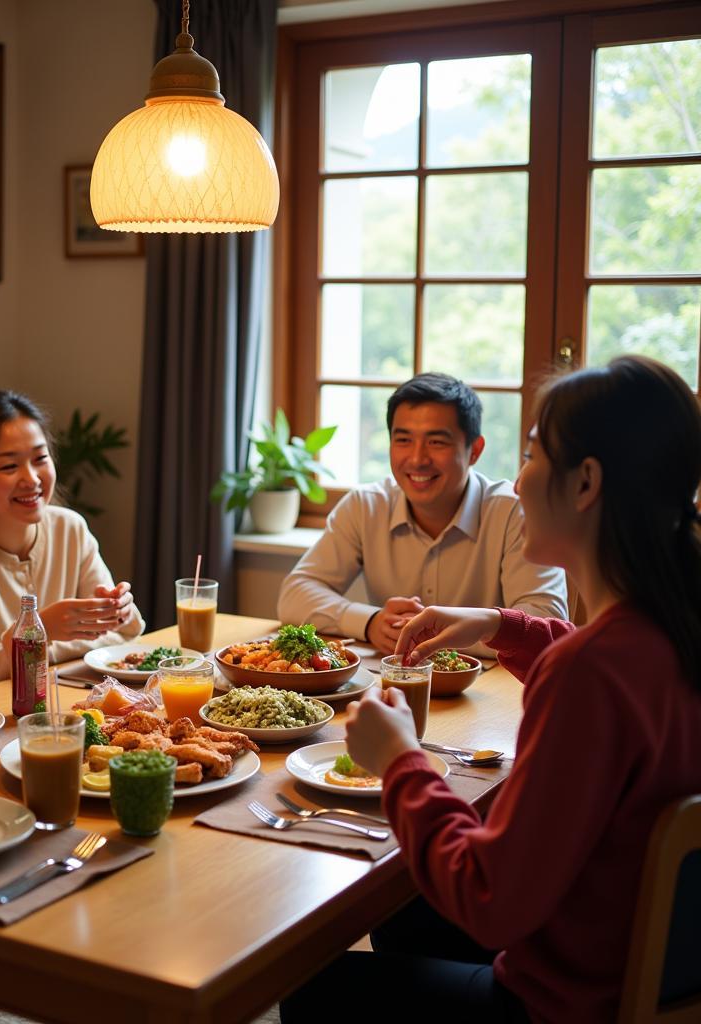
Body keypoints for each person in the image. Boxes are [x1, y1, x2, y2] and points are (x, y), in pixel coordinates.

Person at [281, 356, 701, 1023]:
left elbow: (488, 896)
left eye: (533, 454)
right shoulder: (673, 625)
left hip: (558, 1001)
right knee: (403, 904)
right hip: (623, 953)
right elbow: (610, 674)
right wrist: (502, 623)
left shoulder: (587, 674)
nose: (520, 475)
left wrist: (399, 762)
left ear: (586, 482)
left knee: (308, 985)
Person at [277, 373, 567, 654]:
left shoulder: (514, 512)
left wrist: (452, 631)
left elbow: (544, 625)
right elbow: (295, 594)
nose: (417, 459)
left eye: (436, 442)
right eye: (403, 440)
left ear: (474, 450)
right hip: (395, 687)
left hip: (492, 691)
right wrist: (371, 622)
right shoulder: (365, 506)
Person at [0, 390, 144, 680]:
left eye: (40, 458)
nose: (32, 479)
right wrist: (37, 630)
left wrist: (120, 609)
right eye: (9, 466)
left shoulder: (71, 529)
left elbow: (120, 637)